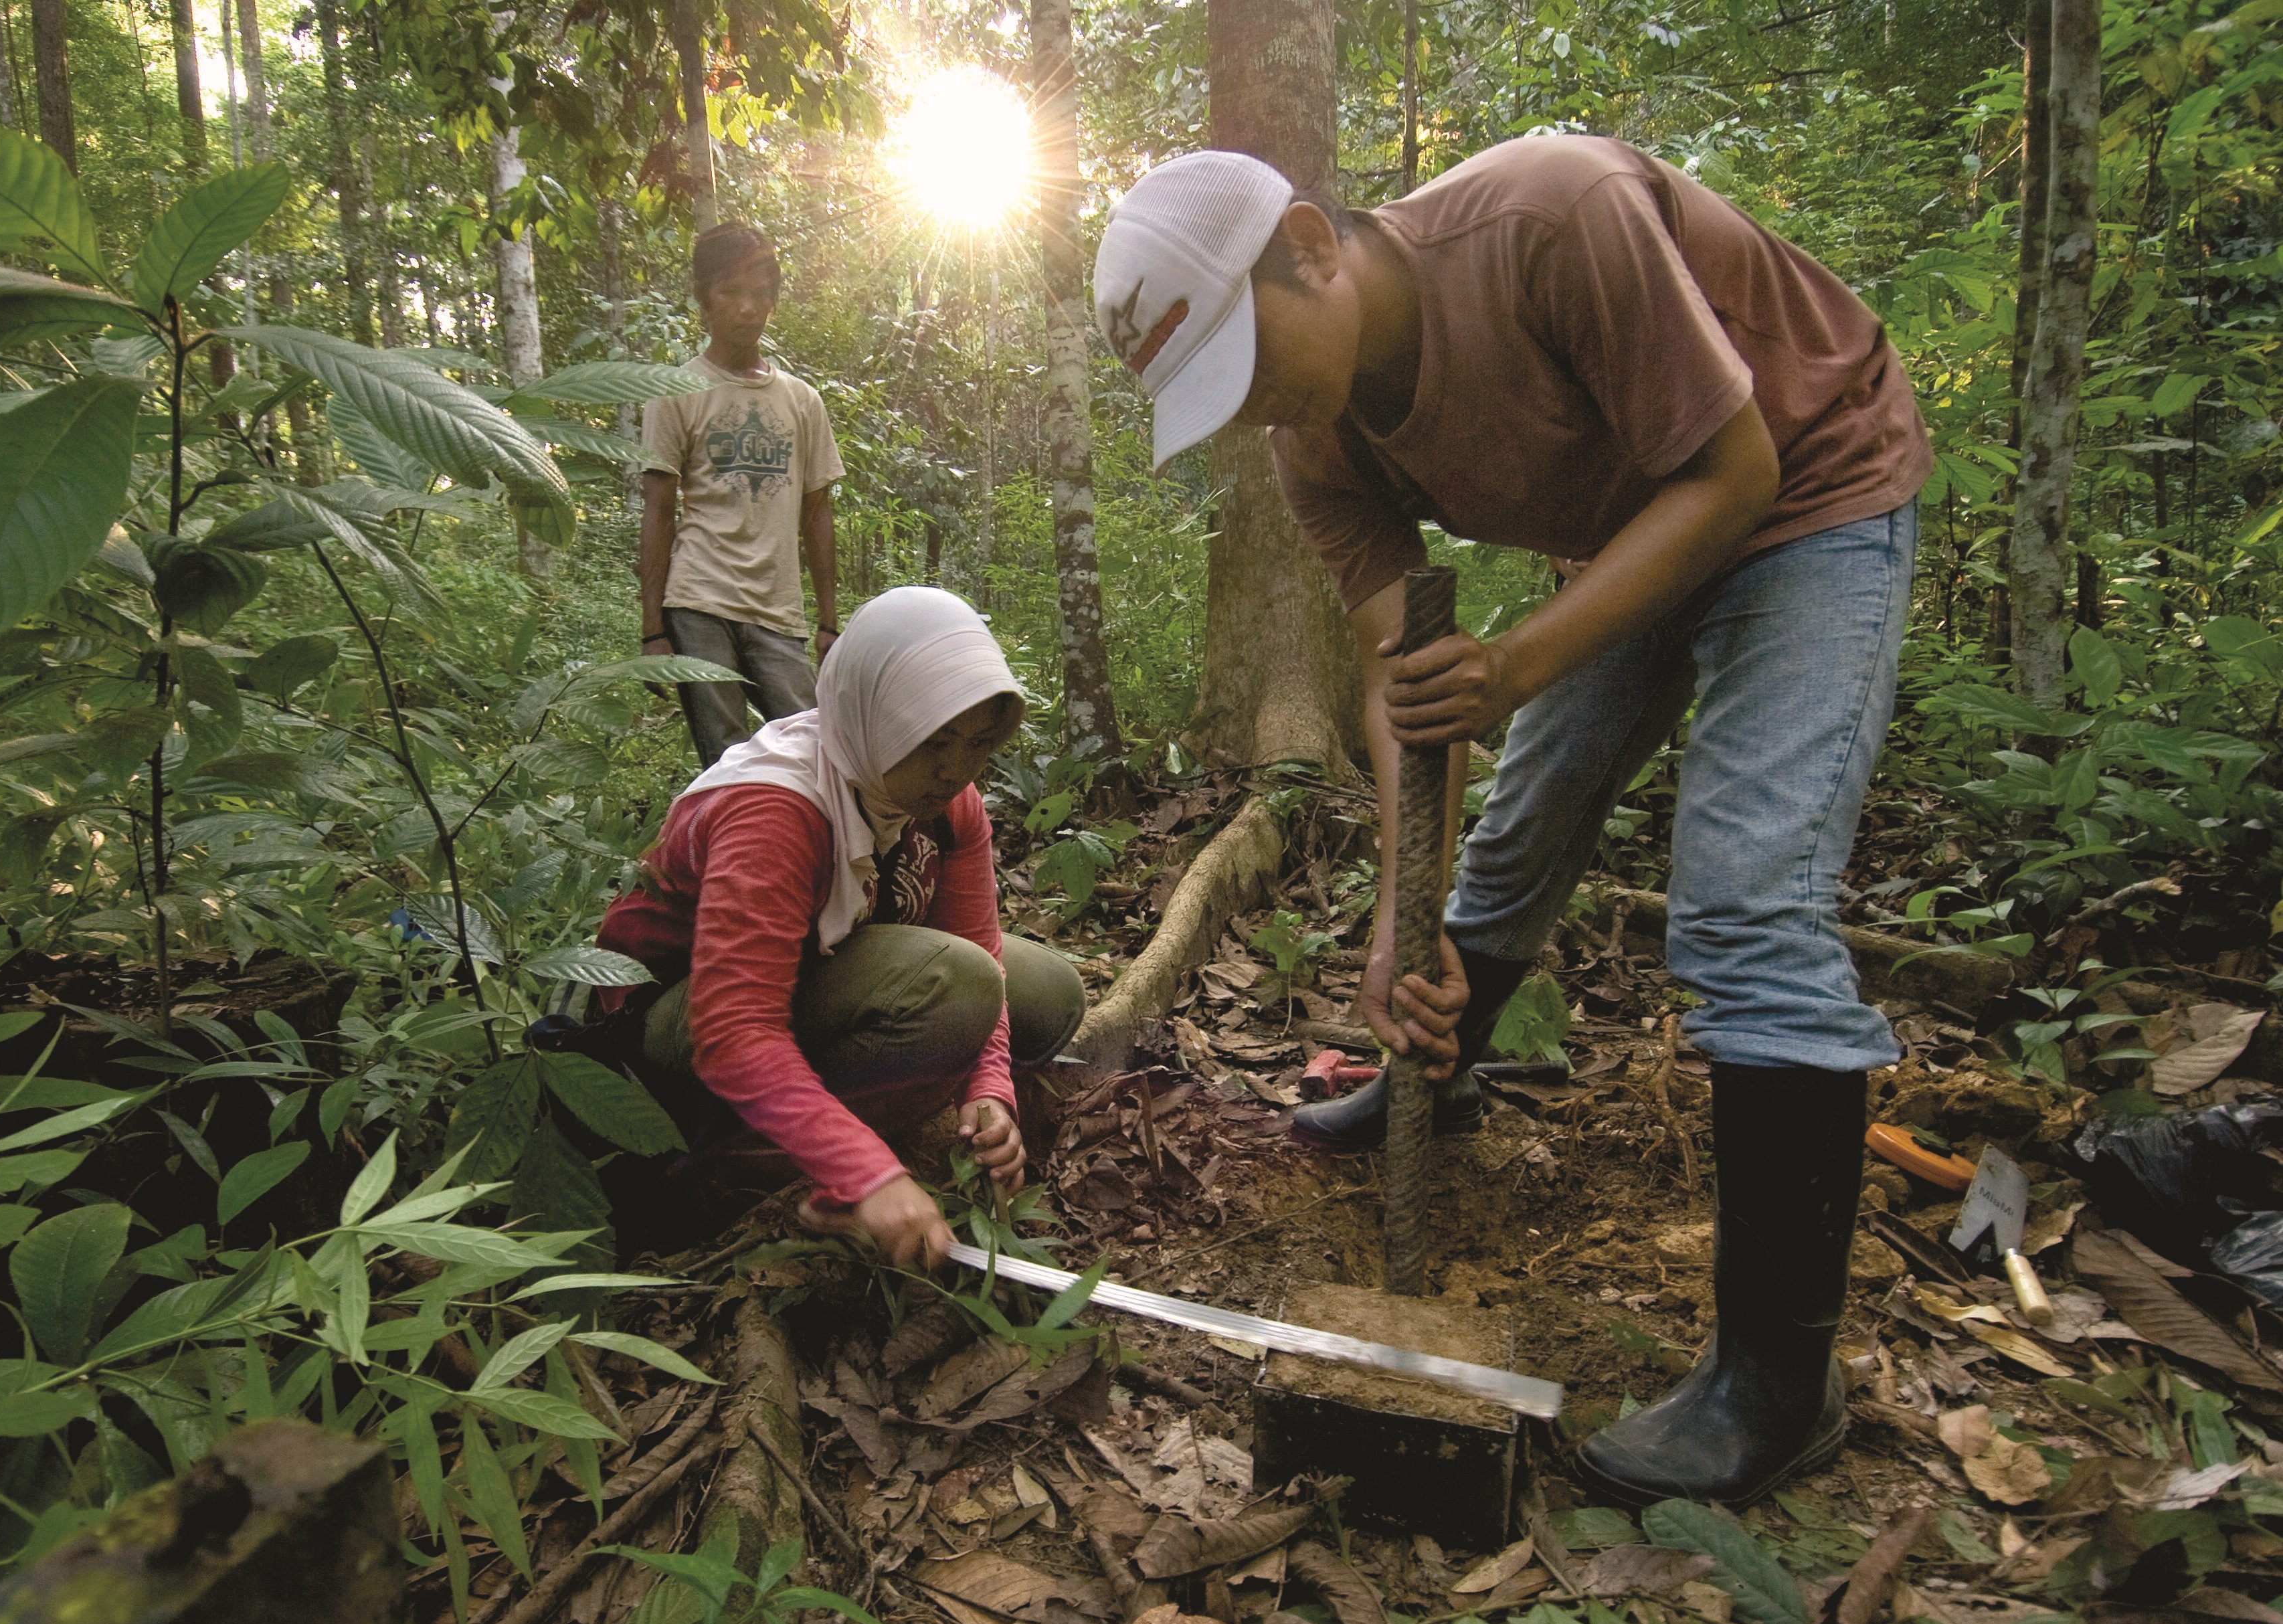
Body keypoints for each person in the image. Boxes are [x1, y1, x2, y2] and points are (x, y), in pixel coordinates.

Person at [1093, 141, 1930, 1508]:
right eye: (1217, 396)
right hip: (1632, 530)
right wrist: (1392, 919)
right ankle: (1437, 1065)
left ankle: (1780, 1379)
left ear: (1309, 245)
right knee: (1523, 819)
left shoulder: (1552, 218)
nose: (1253, 410)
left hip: (1806, 485)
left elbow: (1732, 476)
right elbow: (1398, 681)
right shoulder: (1316, 449)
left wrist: (1518, 664)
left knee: (1742, 897)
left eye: (1246, 363)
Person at [593, 585, 1087, 1267]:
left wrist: (989, 1090)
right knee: (956, 987)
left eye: (976, 744)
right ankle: (742, 1174)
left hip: (811, 973)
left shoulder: (948, 800)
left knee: (1044, 990)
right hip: (672, 1024)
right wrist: (866, 1173)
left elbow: (980, 945)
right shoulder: (774, 810)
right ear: (869, 716)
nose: (954, 770)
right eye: (929, 741)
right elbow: (732, 1031)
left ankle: (836, 1124)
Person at [639, 221, 845, 766]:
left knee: (810, 751)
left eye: (760, 294)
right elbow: (659, 509)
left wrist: (827, 623)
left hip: (777, 612)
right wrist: (652, 631)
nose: (747, 309)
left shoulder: (802, 401)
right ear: (705, 301)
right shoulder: (677, 391)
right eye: (730, 292)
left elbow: (817, 513)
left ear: (775, 302)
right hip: (699, 601)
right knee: (727, 760)